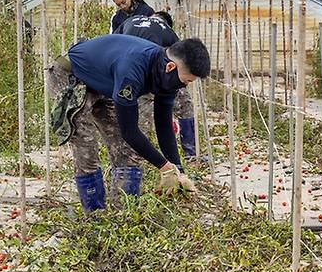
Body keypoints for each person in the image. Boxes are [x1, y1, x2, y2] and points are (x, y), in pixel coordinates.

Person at [51, 35, 209, 212]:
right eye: (187, 80)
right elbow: (130, 131)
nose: (185, 86)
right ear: (171, 67)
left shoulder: (167, 76)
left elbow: (163, 124)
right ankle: (95, 217)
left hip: (105, 82)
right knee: (87, 148)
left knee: (127, 151)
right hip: (71, 76)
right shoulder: (133, 70)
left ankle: (124, 213)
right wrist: (164, 167)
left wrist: (178, 170)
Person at [114, 12, 198, 157]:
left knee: (138, 119)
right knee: (184, 105)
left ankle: (139, 157)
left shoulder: (131, 20)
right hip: (150, 73)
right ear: (166, 23)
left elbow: (114, 42)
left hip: (129, 74)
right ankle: (190, 152)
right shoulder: (169, 33)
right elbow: (182, 64)